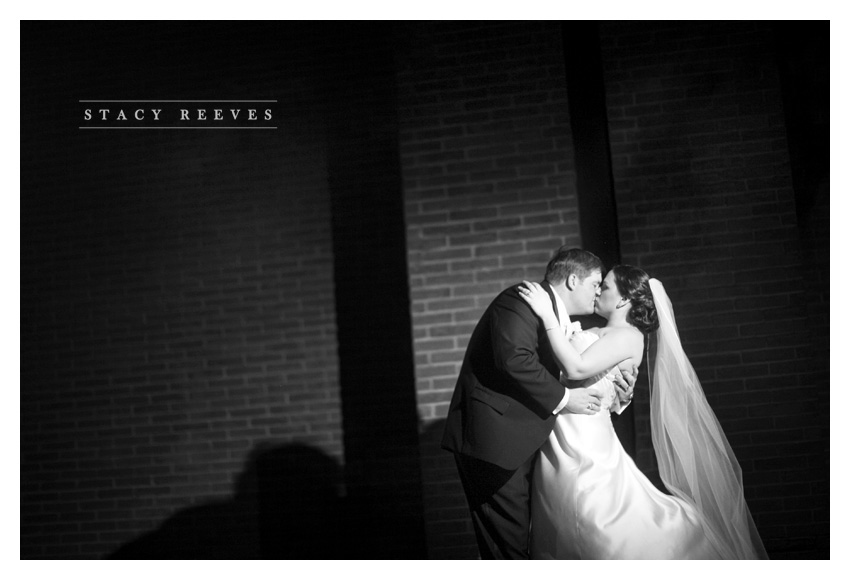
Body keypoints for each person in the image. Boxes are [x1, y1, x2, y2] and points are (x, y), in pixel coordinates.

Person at [517, 265, 768, 559]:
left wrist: (547, 314)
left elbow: (576, 367)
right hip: (559, 436)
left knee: (594, 524)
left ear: (624, 300)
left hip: (586, 443)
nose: (598, 291)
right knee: (558, 520)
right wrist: (621, 392)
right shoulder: (597, 330)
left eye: (606, 286)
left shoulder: (628, 336)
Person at [441, 248, 638, 559]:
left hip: (536, 443)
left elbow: (576, 370)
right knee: (509, 545)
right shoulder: (520, 300)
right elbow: (515, 359)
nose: (599, 291)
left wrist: (618, 393)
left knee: (530, 541)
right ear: (574, 280)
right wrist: (566, 398)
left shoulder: (566, 321)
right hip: (497, 441)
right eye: (595, 283)